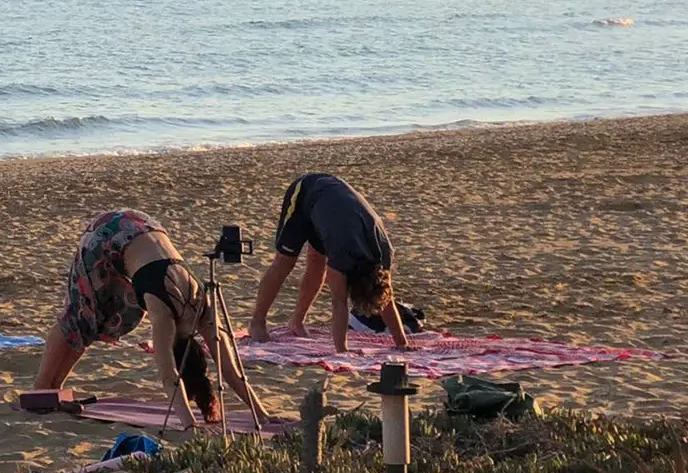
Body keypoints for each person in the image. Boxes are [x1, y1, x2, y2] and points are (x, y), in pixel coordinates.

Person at [28, 210, 270, 434]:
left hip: (142, 225)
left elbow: (231, 371)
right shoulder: (165, 316)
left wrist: (263, 414)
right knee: (81, 315)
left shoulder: (203, 310)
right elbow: (170, 377)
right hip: (105, 236)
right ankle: (40, 390)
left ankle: (55, 388)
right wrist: (189, 425)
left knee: (100, 318)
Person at [247, 173, 409, 353]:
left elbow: (387, 298)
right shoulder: (342, 257)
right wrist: (342, 351)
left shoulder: (384, 255)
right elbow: (339, 303)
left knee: (317, 260)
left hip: (333, 214)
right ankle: (257, 322)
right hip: (306, 193)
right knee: (285, 261)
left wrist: (401, 343)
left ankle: (296, 321)